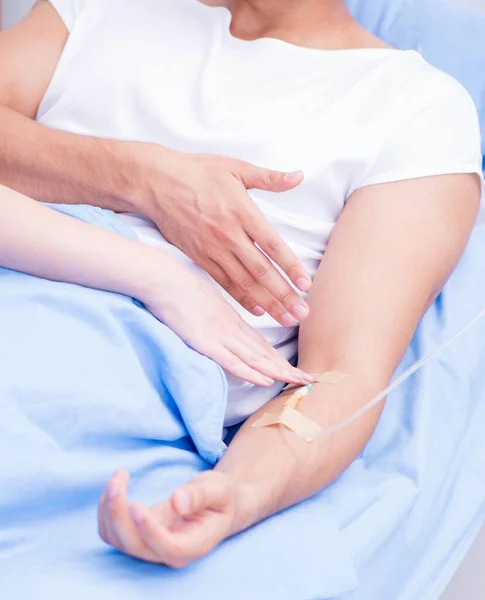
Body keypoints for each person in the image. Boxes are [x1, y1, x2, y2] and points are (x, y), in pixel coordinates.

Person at [0, 0, 483, 569]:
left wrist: (241, 493)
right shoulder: (97, 8)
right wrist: (146, 179)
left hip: (107, 373)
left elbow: (337, 378)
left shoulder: (416, 107)